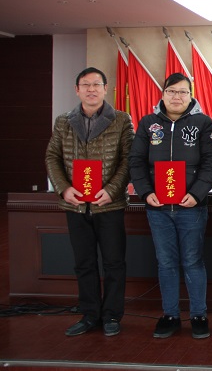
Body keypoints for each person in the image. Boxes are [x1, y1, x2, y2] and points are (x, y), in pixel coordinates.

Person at [128, 73, 212, 339]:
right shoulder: (148, 123)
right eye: (171, 91)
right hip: (158, 208)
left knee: (192, 261)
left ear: (191, 95)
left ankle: (199, 315)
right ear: (163, 94)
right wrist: (145, 192)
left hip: (191, 207)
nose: (177, 97)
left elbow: (210, 163)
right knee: (166, 262)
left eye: (182, 92)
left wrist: (197, 194)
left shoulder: (203, 123)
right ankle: (170, 315)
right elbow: (136, 161)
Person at [45, 67, 133, 337]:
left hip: (109, 204)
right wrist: (63, 188)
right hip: (75, 204)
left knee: (114, 262)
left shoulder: (121, 120)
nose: (91, 89)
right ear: (77, 90)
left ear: (105, 89)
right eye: (86, 85)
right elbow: (52, 157)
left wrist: (112, 190)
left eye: (96, 84)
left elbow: (128, 160)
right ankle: (90, 314)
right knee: (83, 262)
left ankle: (112, 315)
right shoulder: (63, 121)